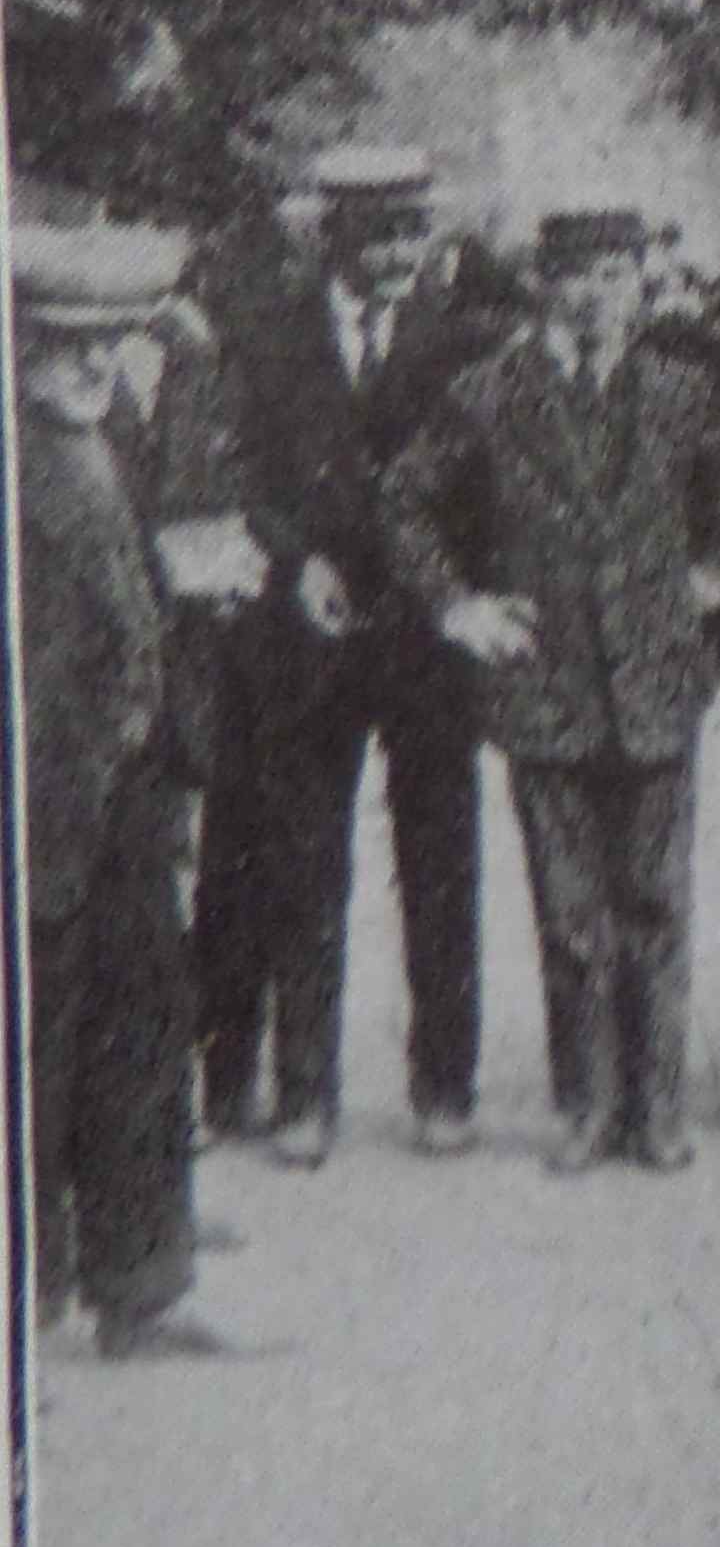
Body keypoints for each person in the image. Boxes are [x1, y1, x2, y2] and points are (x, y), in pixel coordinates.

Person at [381, 205, 720, 1174]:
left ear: (641, 286)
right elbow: (405, 500)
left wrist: (714, 572)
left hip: (656, 681)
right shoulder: (487, 394)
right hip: (547, 685)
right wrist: (458, 605)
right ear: (545, 286)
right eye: (580, 277)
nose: (599, 296)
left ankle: (658, 1110)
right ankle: (586, 1105)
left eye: (617, 276)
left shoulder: (682, 389)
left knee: (657, 904)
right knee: (571, 911)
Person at [207, 143, 513, 1168]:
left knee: (442, 858)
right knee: (305, 862)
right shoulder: (269, 335)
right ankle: (305, 1094)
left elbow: (483, 486)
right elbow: (243, 472)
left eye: (411, 232)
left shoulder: (461, 338)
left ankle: (445, 1087)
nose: (396, 255)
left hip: (426, 639)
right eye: (377, 235)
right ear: (331, 235)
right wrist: (296, 562)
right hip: (312, 635)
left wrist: (462, 595)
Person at [16, 212, 233, 1354]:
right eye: (59, 342)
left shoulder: (112, 441)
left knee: (146, 1024)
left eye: (106, 338)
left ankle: (140, 1284)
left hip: (125, 791)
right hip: (39, 803)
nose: (90, 361)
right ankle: (30, 1300)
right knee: (32, 1053)